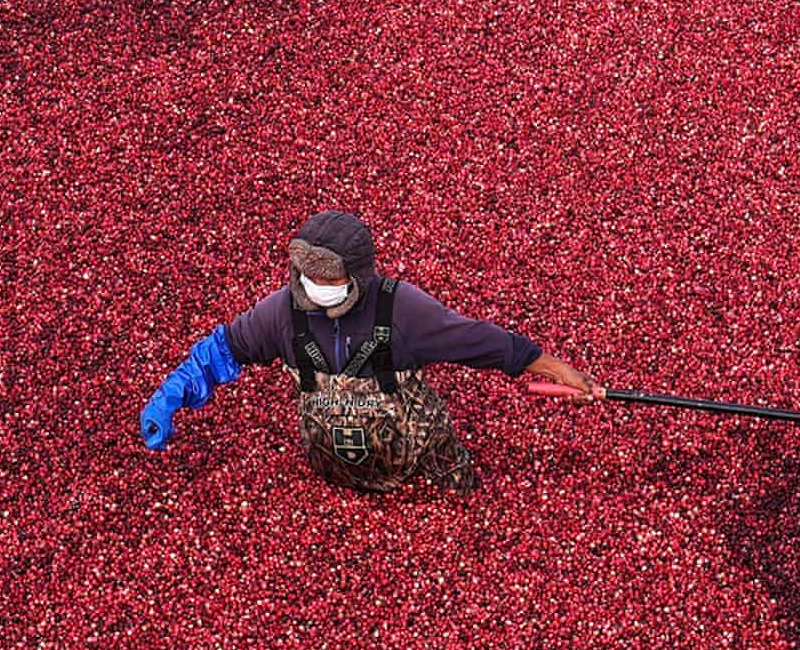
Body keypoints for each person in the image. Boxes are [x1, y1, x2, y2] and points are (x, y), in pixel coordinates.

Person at [138, 209, 606, 493]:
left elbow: (478, 340)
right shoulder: (281, 313)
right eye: (308, 274)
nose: (315, 286)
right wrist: (173, 392)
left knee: (458, 484)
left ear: (358, 275)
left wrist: (553, 367)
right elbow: (224, 349)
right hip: (332, 475)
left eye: (328, 277)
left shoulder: (403, 310)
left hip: (420, 473)